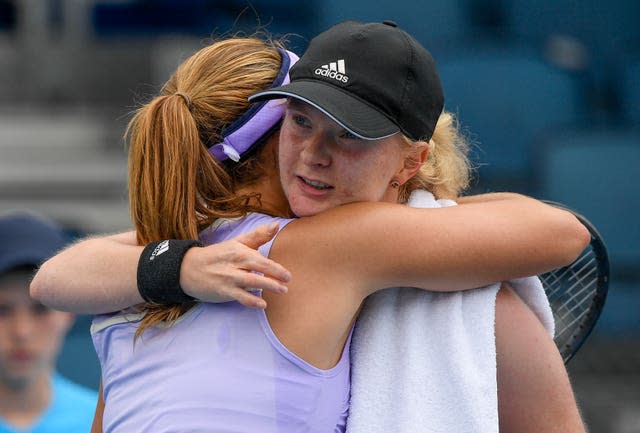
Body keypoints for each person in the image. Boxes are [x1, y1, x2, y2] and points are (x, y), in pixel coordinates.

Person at [31, 26, 589, 433]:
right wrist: (429, 204)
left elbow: (53, 277)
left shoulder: (135, 275)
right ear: (270, 137)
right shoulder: (342, 243)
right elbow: (565, 232)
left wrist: (174, 266)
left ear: (411, 158)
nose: (315, 154)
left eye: (350, 133)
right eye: (300, 120)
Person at [0, 212, 97, 433]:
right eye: (3, 310)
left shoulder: (106, 423)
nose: (21, 331)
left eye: (40, 309)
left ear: (70, 313)